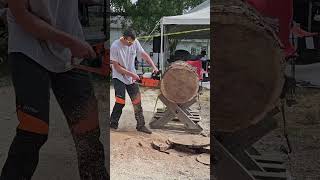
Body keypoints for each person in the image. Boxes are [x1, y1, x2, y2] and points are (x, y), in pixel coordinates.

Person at [0, 0, 108, 179]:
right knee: (33, 130)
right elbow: (21, 14)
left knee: (88, 134)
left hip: (69, 50)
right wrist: (72, 42)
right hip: (28, 45)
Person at [110, 29, 159, 134]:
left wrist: (154, 66)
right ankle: (113, 124)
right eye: (129, 42)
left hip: (131, 76)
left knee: (137, 101)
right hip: (119, 76)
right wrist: (133, 74)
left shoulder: (134, 42)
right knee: (120, 101)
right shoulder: (115, 46)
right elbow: (117, 68)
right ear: (123, 37)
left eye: (132, 42)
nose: (131, 44)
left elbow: (144, 55)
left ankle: (141, 125)